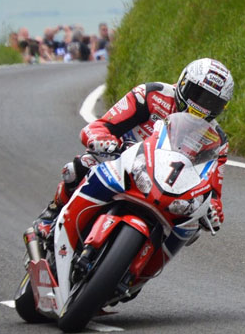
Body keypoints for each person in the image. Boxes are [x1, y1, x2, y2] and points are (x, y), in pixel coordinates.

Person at [33, 58, 234, 247]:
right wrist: (103, 141)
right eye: (197, 94)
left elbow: (213, 192)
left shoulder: (216, 140)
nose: (199, 105)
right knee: (81, 166)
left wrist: (213, 210)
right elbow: (99, 127)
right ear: (182, 83)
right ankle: (52, 215)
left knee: (191, 228)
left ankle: (138, 274)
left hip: (166, 190)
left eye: (211, 103)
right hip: (121, 165)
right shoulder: (151, 95)